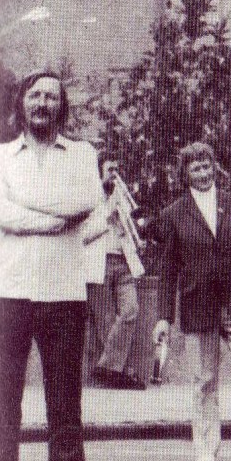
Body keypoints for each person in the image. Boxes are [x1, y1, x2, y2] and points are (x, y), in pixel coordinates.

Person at [0, 70, 105, 461]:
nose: (43, 103)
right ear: (22, 103)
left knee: (65, 411)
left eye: (51, 96)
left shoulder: (82, 155)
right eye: (35, 95)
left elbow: (88, 201)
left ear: (60, 106)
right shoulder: (1, 155)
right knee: (2, 410)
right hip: (8, 293)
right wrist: (54, 220)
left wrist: (25, 207)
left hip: (64, 295)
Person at [151, 143, 231, 461]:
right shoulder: (174, 214)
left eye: (207, 166)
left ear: (215, 168)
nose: (203, 173)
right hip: (198, 306)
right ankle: (206, 448)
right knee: (204, 379)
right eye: (195, 169)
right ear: (185, 173)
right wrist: (164, 317)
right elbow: (168, 272)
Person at [84, 156, 146, 390]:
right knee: (106, 322)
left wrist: (135, 235)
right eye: (110, 169)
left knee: (131, 311)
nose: (115, 174)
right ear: (99, 171)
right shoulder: (88, 198)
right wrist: (106, 219)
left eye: (117, 169)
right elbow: (80, 236)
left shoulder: (122, 196)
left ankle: (107, 368)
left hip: (124, 262)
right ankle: (121, 374)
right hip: (98, 264)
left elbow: (131, 228)